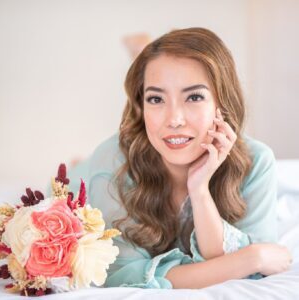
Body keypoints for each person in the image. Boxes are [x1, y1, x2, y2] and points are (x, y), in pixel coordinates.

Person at [68, 27, 292, 289]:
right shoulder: (112, 163)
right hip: (85, 177)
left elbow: (261, 269)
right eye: (155, 99)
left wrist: (199, 191)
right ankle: (77, 164)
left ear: (222, 103)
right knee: (79, 172)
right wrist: (250, 258)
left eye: (194, 96)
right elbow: (121, 274)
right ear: (142, 106)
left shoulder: (257, 160)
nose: (174, 119)